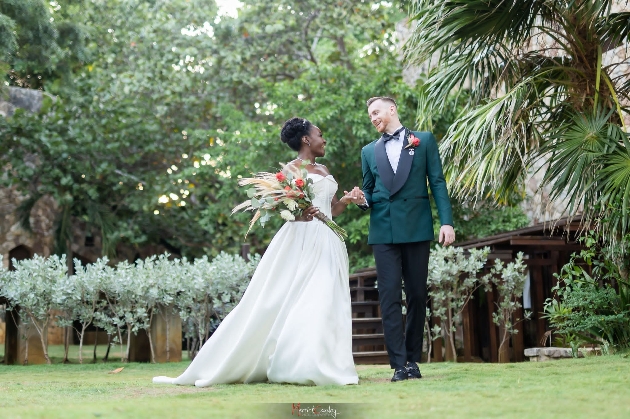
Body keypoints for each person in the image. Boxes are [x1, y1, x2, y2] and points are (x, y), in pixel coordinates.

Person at [153, 117, 364, 387]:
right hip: (302, 241)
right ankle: (299, 366)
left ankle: (319, 362)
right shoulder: (289, 170)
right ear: (306, 139)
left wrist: (346, 200)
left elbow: (331, 209)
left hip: (330, 239)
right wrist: (302, 216)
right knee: (295, 300)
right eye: (320, 134)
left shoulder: (322, 168)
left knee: (327, 300)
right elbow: (286, 212)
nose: (324, 139)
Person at [359, 96, 455, 382]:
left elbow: (437, 181)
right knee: (389, 296)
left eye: (376, 112)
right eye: (370, 115)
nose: (373, 118)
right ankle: (398, 364)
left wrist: (446, 221)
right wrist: (359, 200)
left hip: (416, 227)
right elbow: (369, 192)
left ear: (392, 109)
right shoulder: (367, 151)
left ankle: (413, 360)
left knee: (416, 294)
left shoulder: (423, 140)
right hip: (383, 230)